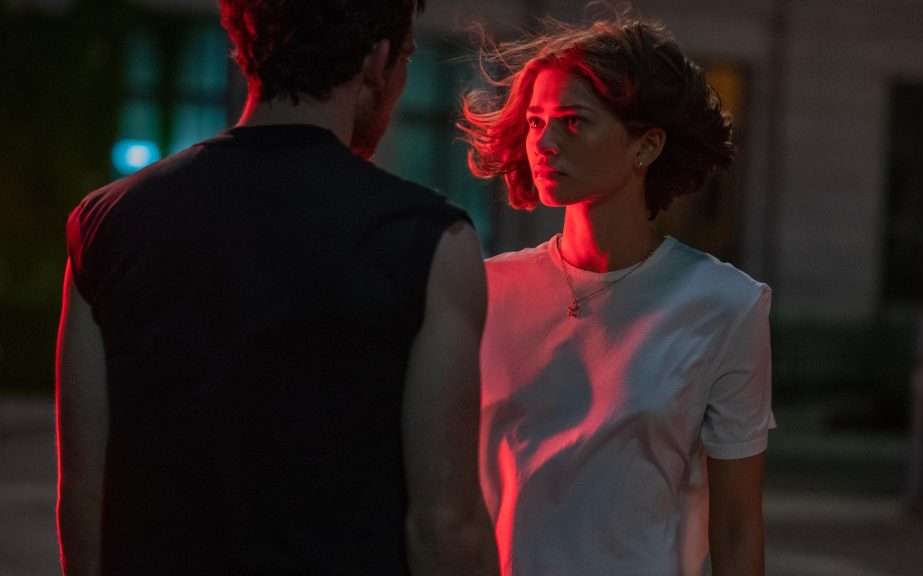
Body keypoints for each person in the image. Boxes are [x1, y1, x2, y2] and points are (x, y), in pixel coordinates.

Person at [55, 1, 499, 575]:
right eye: (408, 57)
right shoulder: (428, 240)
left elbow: (85, 497)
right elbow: (445, 523)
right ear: (377, 58)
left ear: (249, 46)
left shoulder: (105, 222)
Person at [460, 17, 773, 576]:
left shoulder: (726, 305)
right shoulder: (485, 290)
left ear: (645, 146)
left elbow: (737, 525)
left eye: (573, 122)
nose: (545, 143)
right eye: (536, 122)